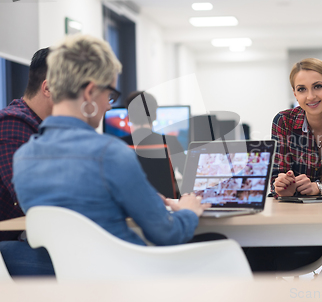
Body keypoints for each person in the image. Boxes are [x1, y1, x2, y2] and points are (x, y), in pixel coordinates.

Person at [12, 34, 210, 249]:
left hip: (63, 277)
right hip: (123, 275)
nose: (109, 106)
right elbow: (166, 233)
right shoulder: (110, 154)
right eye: (110, 95)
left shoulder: (23, 157)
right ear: (89, 93)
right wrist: (189, 211)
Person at [244, 58, 322, 272]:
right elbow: (278, 177)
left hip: (320, 225)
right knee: (242, 253)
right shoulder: (283, 121)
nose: (310, 96)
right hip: (281, 223)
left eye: (318, 86)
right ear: (295, 93)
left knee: (257, 261)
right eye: (302, 89)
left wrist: (316, 188)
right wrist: (284, 186)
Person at [0, 48, 54, 276]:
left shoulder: (48, 129)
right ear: (48, 87)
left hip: (34, 237)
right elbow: (34, 201)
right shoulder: (12, 125)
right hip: (9, 245)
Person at [121, 91, 186, 196]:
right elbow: (189, 176)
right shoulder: (171, 142)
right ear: (155, 116)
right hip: (167, 204)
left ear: (129, 117)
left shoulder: (118, 144)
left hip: (130, 207)